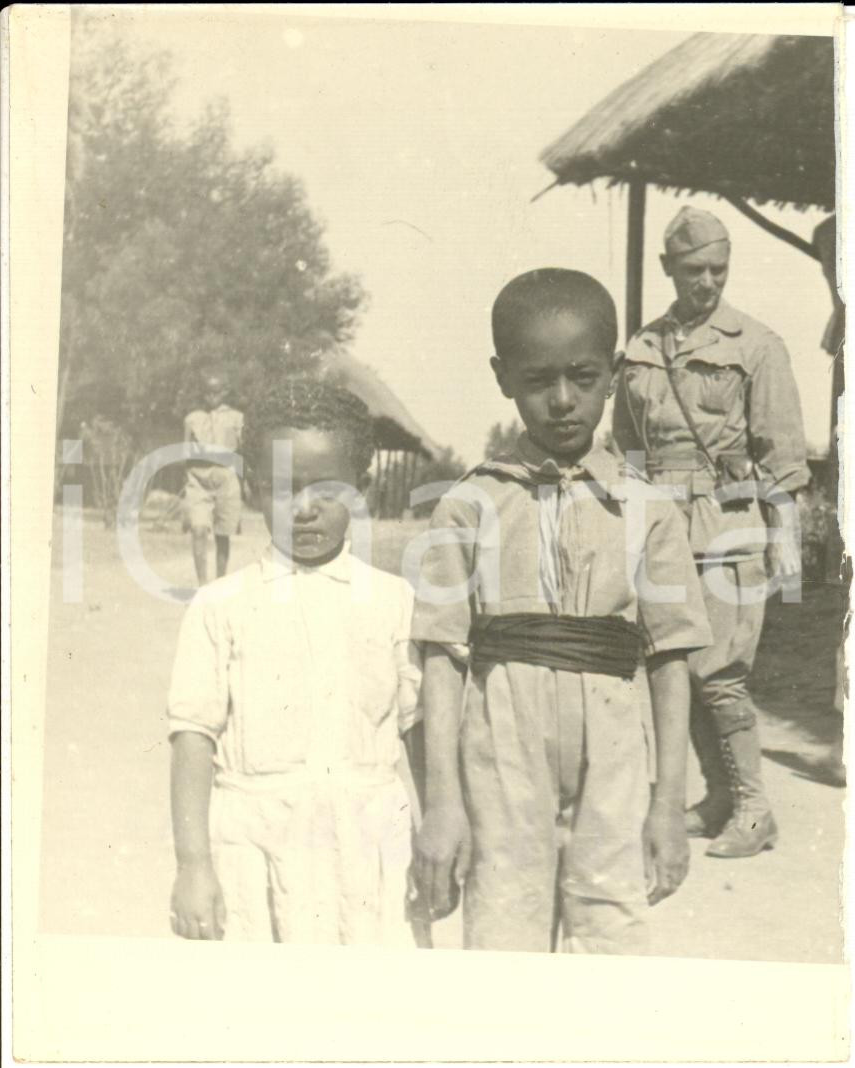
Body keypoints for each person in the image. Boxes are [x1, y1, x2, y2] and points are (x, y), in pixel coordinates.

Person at [411, 269, 712, 954]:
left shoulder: (648, 509)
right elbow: (441, 656)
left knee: (610, 932)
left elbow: (670, 661)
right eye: (538, 379)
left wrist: (668, 803)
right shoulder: (469, 504)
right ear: (502, 377)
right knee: (502, 928)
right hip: (501, 744)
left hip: (613, 748)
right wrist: (444, 803)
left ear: (612, 373)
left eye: (582, 377)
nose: (562, 400)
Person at [167, 379, 426, 944]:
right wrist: (192, 867)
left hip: (368, 848)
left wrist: (431, 838)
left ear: (363, 489)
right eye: (284, 489)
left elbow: (418, 733)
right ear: (255, 489)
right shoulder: (219, 606)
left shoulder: (394, 601)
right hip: (256, 849)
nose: (305, 508)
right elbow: (192, 735)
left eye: (328, 490)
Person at [613, 206, 811, 858]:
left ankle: (755, 811)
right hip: (662, 527)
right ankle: (720, 795)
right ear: (668, 267)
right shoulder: (641, 348)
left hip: (729, 525)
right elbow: (624, 450)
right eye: (694, 270)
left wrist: (787, 543)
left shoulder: (756, 346)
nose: (707, 283)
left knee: (719, 671)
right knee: (674, 664)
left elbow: (783, 457)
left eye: (718, 270)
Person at [183, 369, 245, 585]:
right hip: (198, 479)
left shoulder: (237, 418)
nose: (211, 397)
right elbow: (185, 452)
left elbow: (243, 452)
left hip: (225, 477)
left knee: (222, 533)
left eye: (216, 392)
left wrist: (245, 483)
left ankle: (219, 584)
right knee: (198, 529)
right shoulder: (192, 419)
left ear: (225, 392)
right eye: (207, 392)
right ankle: (202, 585)